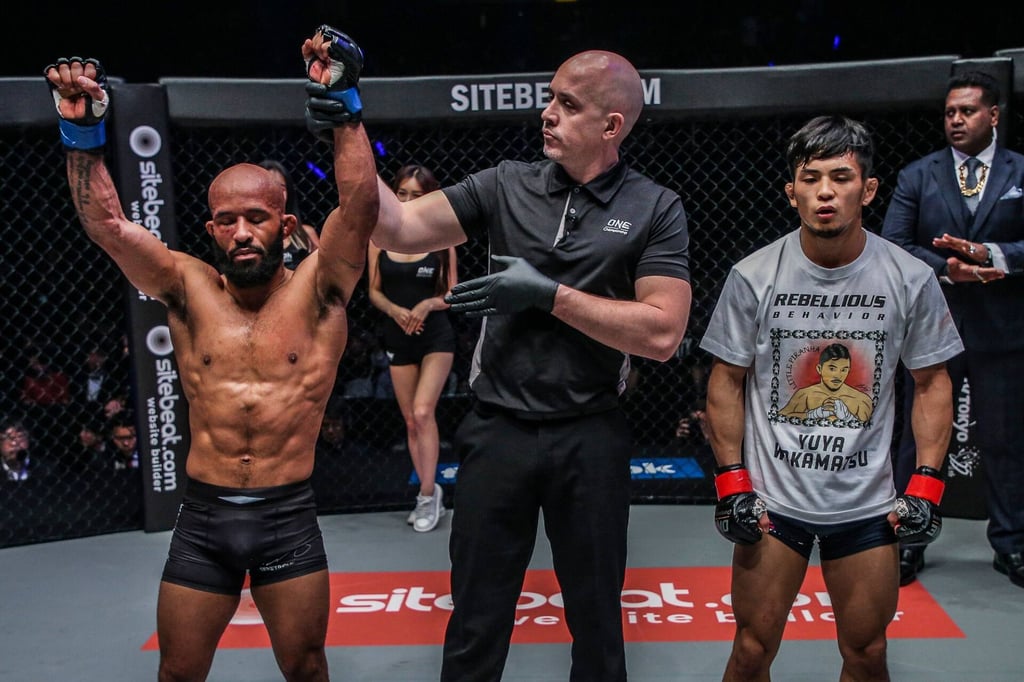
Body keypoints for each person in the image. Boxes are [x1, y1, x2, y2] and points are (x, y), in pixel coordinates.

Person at [44, 24, 377, 680]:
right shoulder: (184, 285)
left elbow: (360, 206)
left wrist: (346, 107)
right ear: (212, 228)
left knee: (307, 668)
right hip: (203, 518)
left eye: (256, 217)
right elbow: (107, 225)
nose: (242, 231)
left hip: (287, 515)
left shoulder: (321, 290)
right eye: (228, 220)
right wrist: (82, 134)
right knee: (178, 672)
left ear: (285, 225)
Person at [369, 48, 692, 681]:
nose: (546, 114)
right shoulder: (503, 184)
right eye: (549, 98)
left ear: (611, 126)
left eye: (567, 105)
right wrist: (348, 124)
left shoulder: (656, 206)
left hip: (590, 431)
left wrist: (548, 296)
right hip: (498, 429)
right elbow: (398, 229)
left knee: (598, 623)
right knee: (475, 621)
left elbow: (662, 333)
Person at [699, 115, 962, 681]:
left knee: (866, 654)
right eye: (811, 177)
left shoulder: (910, 278)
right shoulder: (753, 275)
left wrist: (927, 484)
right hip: (774, 502)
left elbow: (932, 382)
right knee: (751, 648)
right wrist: (730, 482)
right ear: (791, 190)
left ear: (867, 189)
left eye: (840, 177)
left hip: (866, 506)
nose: (824, 192)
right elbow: (726, 379)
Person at [881, 70, 1024, 589]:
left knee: (1007, 442)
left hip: (1003, 331)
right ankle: (907, 540)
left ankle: (1012, 545)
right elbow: (894, 244)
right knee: (918, 441)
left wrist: (994, 257)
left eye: (966, 111)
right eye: (949, 112)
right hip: (934, 331)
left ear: (993, 115)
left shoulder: (1020, 171)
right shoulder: (919, 174)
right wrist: (949, 270)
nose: (956, 120)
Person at [367, 164, 457, 532]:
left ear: (429, 197)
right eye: (402, 193)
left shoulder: (443, 236)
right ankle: (427, 490)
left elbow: (452, 292)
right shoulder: (380, 237)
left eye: (415, 194)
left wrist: (426, 305)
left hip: (436, 335)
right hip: (397, 334)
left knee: (423, 413)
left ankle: (426, 493)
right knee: (409, 419)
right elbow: (373, 291)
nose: (406, 200)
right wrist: (395, 310)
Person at [257, 159, 321, 269]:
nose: (275, 194)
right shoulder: (249, 236)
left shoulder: (306, 233)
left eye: (281, 188)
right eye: (268, 188)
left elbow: (324, 271)